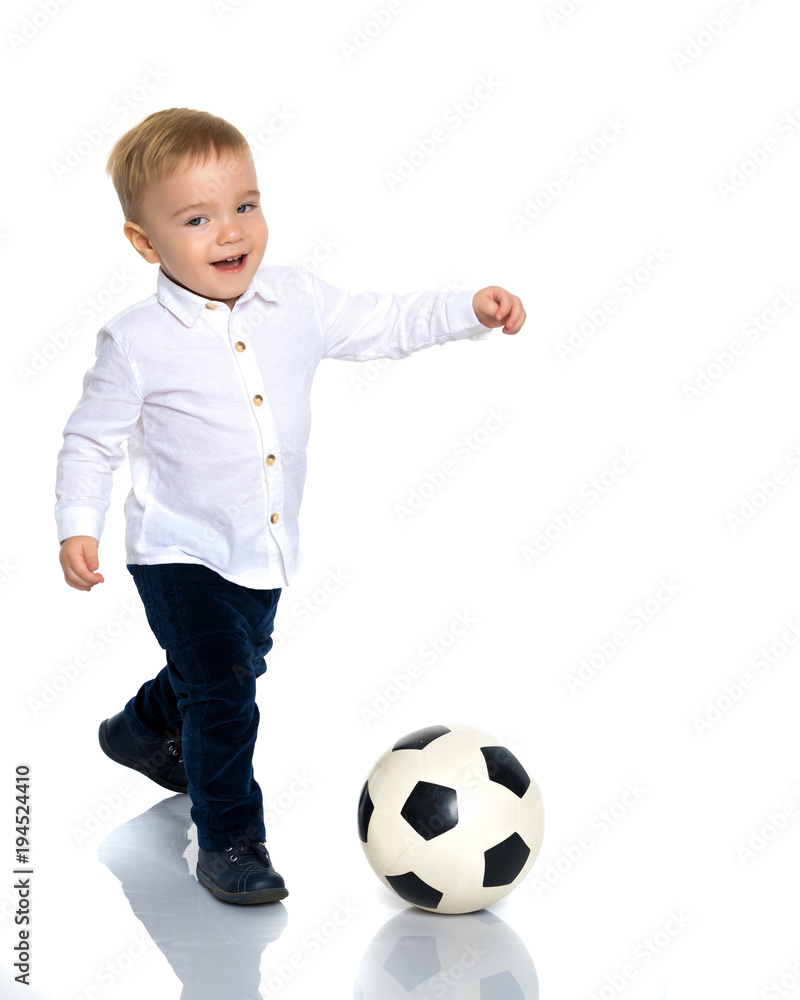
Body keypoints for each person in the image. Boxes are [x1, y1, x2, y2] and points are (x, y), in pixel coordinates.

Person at [55, 107, 526, 905]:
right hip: (176, 550)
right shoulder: (136, 340)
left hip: (262, 549)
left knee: (228, 671)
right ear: (145, 242)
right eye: (197, 219)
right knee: (226, 691)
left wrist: (465, 308)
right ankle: (233, 839)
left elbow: (383, 321)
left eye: (245, 205)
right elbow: (90, 441)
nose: (230, 231)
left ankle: (139, 729)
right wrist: (77, 527)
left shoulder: (296, 300)